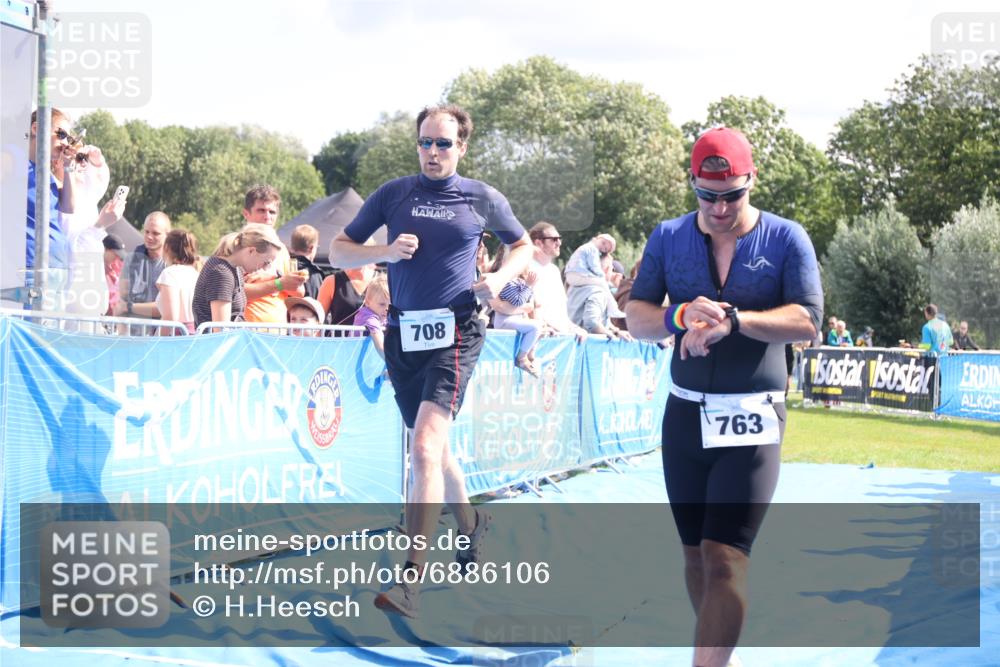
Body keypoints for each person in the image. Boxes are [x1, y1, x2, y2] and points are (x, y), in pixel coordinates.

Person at [625, 127, 823, 667]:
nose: (718, 208)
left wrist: (736, 321)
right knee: (695, 557)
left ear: (752, 180)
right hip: (685, 416)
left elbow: (808, 321)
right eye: (706, 196)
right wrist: (679, 315)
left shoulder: (786, 238)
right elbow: (636, 317)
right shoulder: (668, 236)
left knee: (725, 558)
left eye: (731, 196)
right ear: (692, 183)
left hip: (752, 418)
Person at [329, 104, 533, 619]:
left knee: (422, 449)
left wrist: (500, 277)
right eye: (425, 142)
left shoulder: (481, 197)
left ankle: (410, 582)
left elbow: (524, 245)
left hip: (457, 333)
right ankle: (473, 524)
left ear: (461, 146)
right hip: (403, 333)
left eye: (443, 143)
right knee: (436, 453)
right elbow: (338, 251)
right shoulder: (394, 194)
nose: (433, 152)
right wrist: (384, 251)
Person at [193, 224, 282, 330]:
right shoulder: (221, 273)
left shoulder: (234, 269)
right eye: (266, 262)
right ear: (251, 251)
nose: (265, 268)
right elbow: (220, 331)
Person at [239, 185, 307, 324]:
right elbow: (235, 294)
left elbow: (299, 292)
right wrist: (279, 283)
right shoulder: (237, 246)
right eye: (261, 210)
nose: (267, 217)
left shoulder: (281, 249)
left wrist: (274, 278)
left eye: (272, 212)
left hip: (279, 330)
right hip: (247, 330)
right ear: (246, 213)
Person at [25, 108, 74, 292]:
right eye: (61, 134)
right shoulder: (13, 160)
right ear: (36, 129)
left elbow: (69, 206)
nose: (65, 143)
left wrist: (68, 167)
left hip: (57, 269)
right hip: (30, 267)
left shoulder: (48, 174)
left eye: (68, 138)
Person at [526, 222, 587, 341]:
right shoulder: (526, 268)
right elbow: (528, 308)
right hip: (539, 338)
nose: (559, 243)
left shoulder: (554, 271)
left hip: (559, 338)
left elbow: (560, 311)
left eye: (559, 239)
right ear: (538, 243)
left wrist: (573, 327)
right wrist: (544, 325)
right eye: (554, 239)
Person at [489, 245, 543, 377]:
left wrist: (528, 287)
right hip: (504, 321)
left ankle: (530, 355)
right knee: (535, 327)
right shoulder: (504, 281)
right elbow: (517, 301)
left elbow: (530, 303)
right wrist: (528, 286)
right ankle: (522, 358)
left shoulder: (518, 280)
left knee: (541, 327)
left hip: (516, 318)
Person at [567, 253, 633, 341]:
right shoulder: (597, 291)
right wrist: (614, 335)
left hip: (571, 341)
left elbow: (601, 320)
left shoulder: (576, 287)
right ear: (606, 270)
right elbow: (592, 323)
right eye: (612, 269)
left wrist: (616, 331)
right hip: (586, 345)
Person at [118, 211, 170, 321]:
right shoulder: (131, 259)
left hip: (159, 329)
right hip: (132, 328)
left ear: (167, 235)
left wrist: (129, 307)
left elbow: (164, 308)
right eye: (146, 232)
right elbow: (121, 301)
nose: (149, 237)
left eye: (156, 233)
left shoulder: (171, 264)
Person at [155, 229, 200, 334]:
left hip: (176, 336)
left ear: (167, 248)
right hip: (195, 334)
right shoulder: (196, 274)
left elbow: (170, 317)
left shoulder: (169, 273)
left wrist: (158, 340)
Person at [352, 273, 390, 359]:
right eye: (382, 304)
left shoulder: (383, 316)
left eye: (390, 305)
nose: (387, 309)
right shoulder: (368, 317)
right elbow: (381, 346)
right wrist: (393, 364)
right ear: (367, 302)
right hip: (353, 356)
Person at [287, 224, 326, 299]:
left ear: (292, 247)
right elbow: (317, 301)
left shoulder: (282, 266)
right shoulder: (314, 274)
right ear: (311, 248)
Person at [102, 233, 126, 316]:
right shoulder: (93, 268)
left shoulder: (117, 266)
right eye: (116, 254)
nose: (117, 258)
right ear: (105, 249)